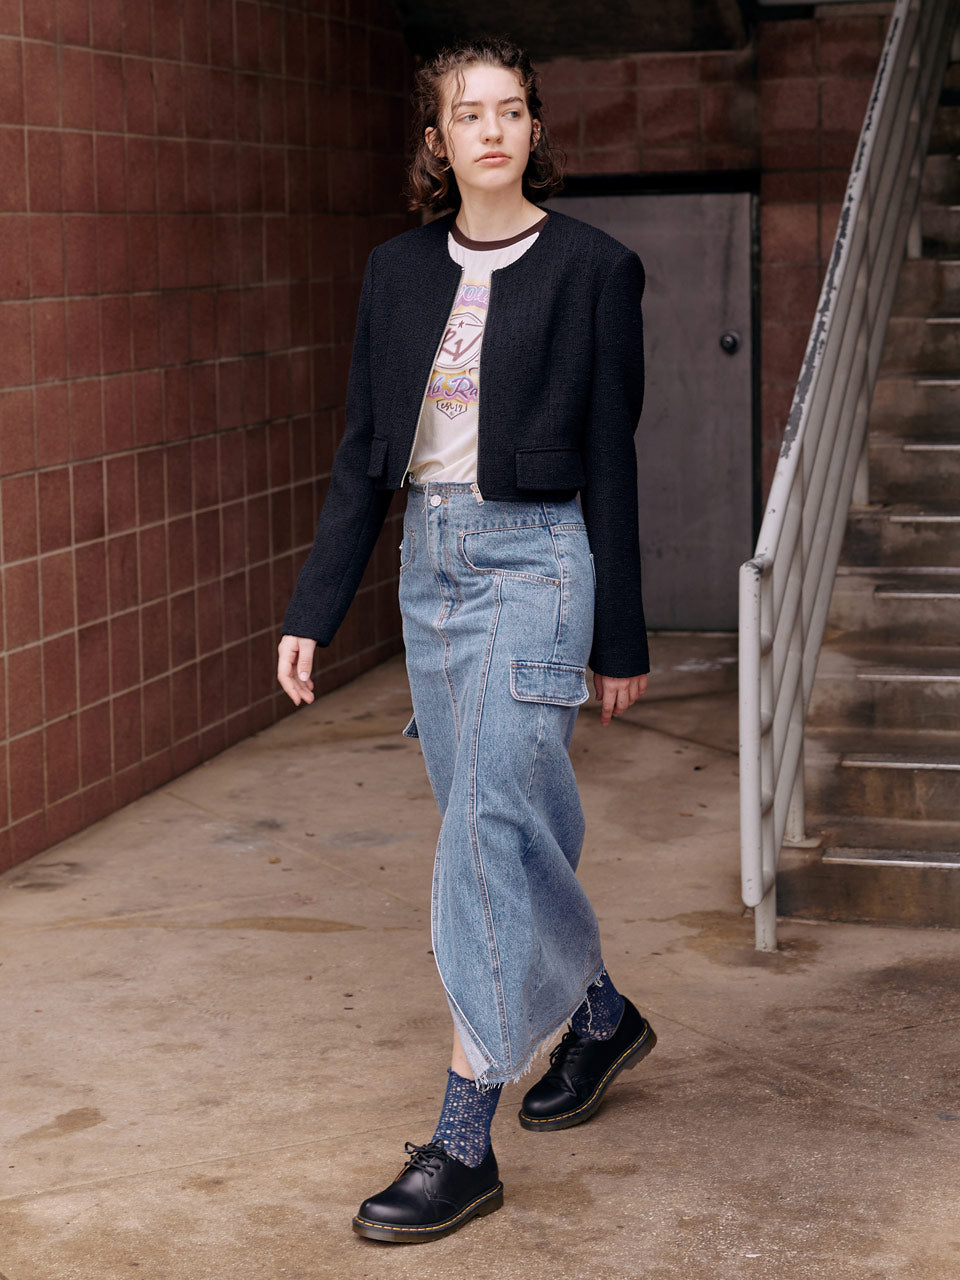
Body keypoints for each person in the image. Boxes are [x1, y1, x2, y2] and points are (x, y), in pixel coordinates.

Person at [277, 36, 655, 1245]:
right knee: (492, 824)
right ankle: (594, 1013)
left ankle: (461, 1140)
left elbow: (612, 457)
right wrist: (314, 606)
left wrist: (621, 633)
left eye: (511, 111)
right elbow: (360, 455)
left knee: (486, 830)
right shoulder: (394, 272)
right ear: (436, 141)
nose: (490, 130)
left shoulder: (597, 268)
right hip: (429, 575)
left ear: (536, 129)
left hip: (539, 563)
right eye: (465, 114)